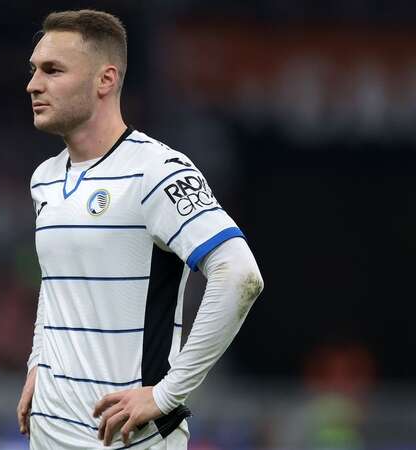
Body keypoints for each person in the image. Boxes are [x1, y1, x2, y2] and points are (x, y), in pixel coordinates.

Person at [16, 9, 264, 450]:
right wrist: (39, 363)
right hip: (48, 434)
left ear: (105, 80)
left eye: (53, 70)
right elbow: (57, 284)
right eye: (34, 70)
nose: (34, 84)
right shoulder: (45, 178)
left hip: (128, 441)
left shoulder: (157, 172)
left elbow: (240, 275)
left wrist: (169, 394)